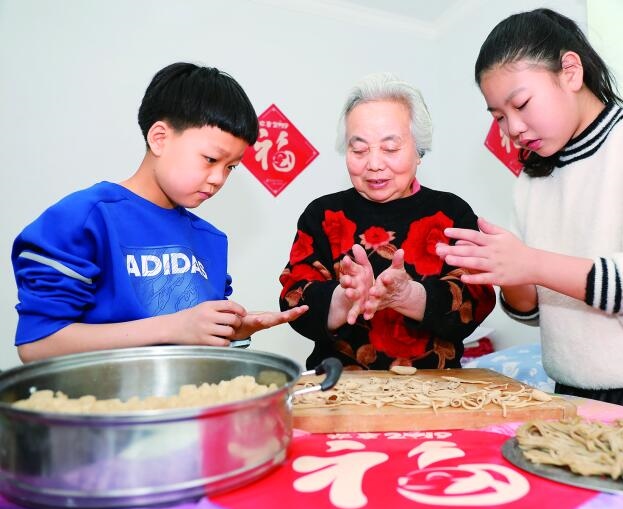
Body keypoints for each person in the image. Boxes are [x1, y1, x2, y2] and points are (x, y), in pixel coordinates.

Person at [435, 8, 623, 444]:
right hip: (577, 399)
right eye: (498, 116)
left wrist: (532, 262)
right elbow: (536, 309)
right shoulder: (532, 180)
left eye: (521, 104)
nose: (513, 128)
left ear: (571, 71)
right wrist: (506, 270)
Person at [12, 62, 307, 363]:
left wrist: (231, 330)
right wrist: (173, 327)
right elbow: (37, 345)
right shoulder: (85, 219)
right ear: (160, 138)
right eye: (210, 159)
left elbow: (200, 346)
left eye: (230, 167)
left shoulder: (210, 239)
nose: (219, 178)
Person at [279, 72, 496, 371]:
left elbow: (477, 299)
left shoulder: (451, 213)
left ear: (418, 151)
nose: (374, 164)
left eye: (390, 148)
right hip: (340, 386)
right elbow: (293, 299)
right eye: (359, 149)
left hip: (435, 387)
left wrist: (408, 296)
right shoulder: (323, 215)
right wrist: (344, 298)